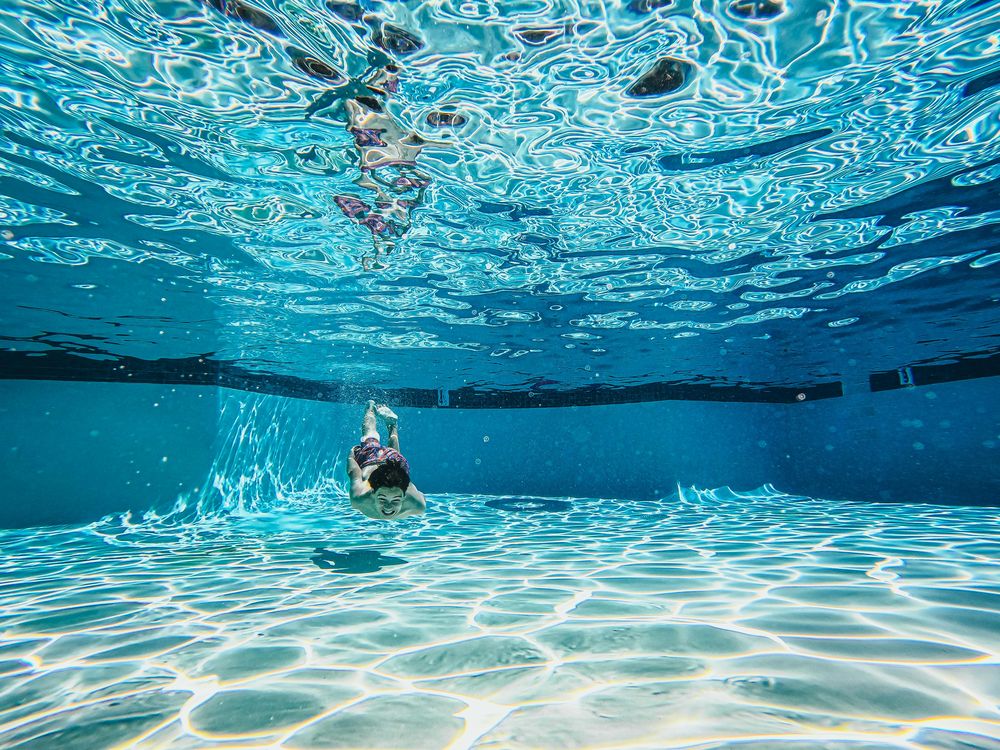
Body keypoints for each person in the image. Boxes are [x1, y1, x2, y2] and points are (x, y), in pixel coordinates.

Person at [347, 400, 426, 519]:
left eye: (395, 500)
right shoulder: (417, 505)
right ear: (372, 492)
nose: (388, 507)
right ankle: (377, 414)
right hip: (374, 459)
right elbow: (353, 472)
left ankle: (386, 420)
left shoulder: (417, 505)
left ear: (404, 496)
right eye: (382, 499)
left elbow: (354, 473)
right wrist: (351, 457)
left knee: (373, 439)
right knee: (374, 439)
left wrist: (351, 457)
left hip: (377, 460)